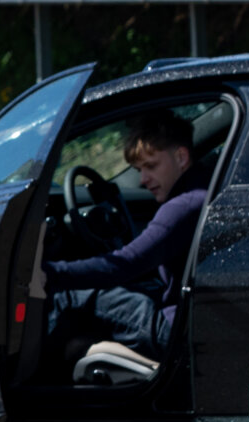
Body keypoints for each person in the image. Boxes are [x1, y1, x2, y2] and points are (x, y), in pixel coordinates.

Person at [42, 110, 212, 378]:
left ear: (181, 157)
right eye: (139, 170)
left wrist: (48, 273)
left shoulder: (183, 206)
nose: (143, 180)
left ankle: (37, 381)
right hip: (191, 322)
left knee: (68, 297)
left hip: (173, 329)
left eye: (151, 166)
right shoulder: (205, 190)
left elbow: (125, 264)